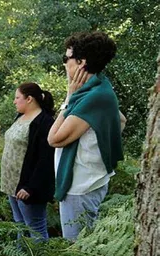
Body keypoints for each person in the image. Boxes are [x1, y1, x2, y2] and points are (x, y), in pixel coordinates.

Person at [48, 31, 126, 240]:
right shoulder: (100, 88)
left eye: (67, 58)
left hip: (81, 187)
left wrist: (68, 97)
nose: (65, 64)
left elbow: (53, 139)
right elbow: (120, 120)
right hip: (87, 182)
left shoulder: (92, 97)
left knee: (79, 254)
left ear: (81, 62)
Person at [1, 83, 55, 240]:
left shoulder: (44, 122)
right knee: (20, 225)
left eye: (17, 98)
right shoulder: (20, 117)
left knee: (35, 228)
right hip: (11, 184)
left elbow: (45, 159)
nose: (14, 101)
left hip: (28, 187)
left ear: (29, 99)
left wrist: (30, 187)